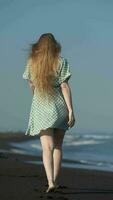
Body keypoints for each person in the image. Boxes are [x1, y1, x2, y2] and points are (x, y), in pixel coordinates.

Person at [22, 33, 76, 193]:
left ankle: (50, 181)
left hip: (40, 105)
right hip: (59, 106)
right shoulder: (61, 62)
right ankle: (56, 181)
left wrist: (36, 95)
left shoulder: (32, 63)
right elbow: (64, 86)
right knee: (58, 146)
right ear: (55, 46)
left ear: (38, 46)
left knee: (47, 147)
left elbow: (31, 84)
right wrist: (71, 110)